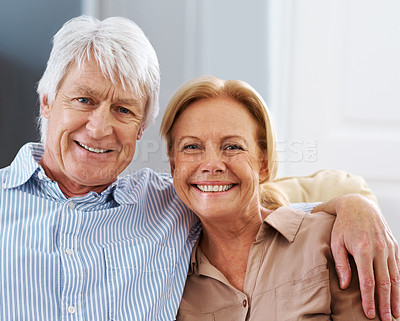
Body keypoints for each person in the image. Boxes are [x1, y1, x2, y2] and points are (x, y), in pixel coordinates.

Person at [0, 15, 398, 321]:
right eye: (84, 100)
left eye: (123, 109)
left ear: (140, 129)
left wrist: (355, 204)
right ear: (47, 102)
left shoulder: (166, 201)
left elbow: (258, 209)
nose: (101, 127)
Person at [160, 75, 400, 320]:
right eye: (191, 147)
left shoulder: (333, 240)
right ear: (173, 166)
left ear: (264, 163)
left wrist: (356, 203)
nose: (211, 165)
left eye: (233, 147)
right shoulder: (168, 280)